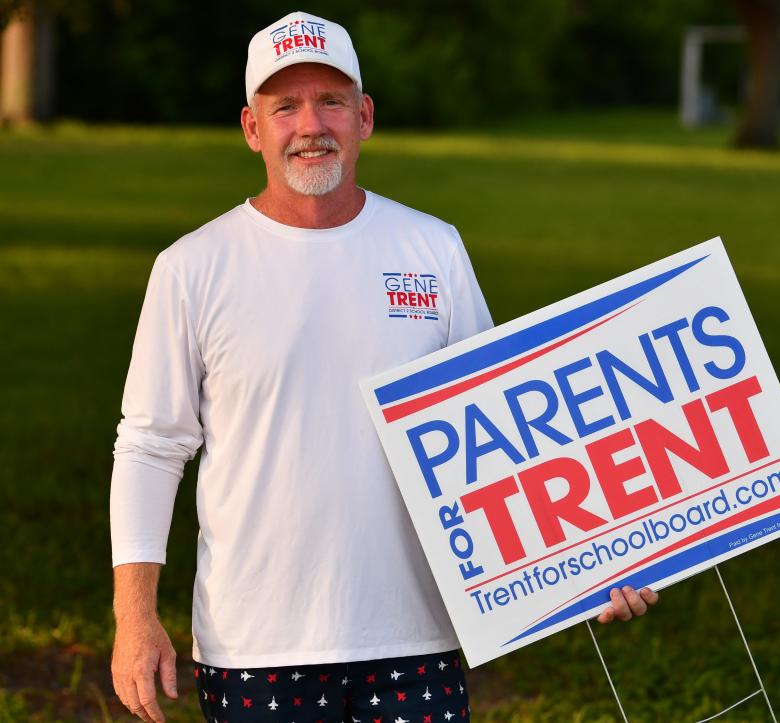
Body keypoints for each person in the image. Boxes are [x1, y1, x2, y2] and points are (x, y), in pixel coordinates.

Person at [109, 11, 659, 723]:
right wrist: (135, 615)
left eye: (330, 101)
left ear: (363, 116)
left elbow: (503, 429)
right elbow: (151, 445)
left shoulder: (432, 248)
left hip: (416, 635)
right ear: (252, 128)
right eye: (285, 107)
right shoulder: (192, 267)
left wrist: (592, 559)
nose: (311, 124)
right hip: (254, 642)